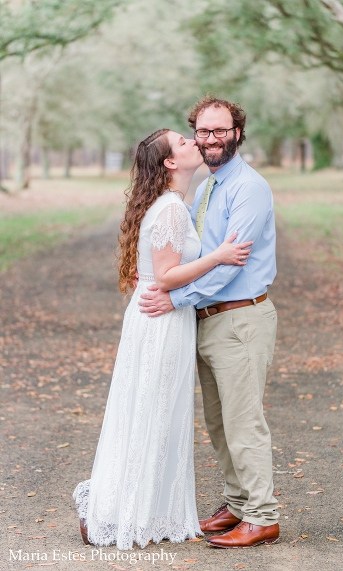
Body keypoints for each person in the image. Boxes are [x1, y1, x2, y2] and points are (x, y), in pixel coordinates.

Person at [73, 129, 253, 549]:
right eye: (184, 142)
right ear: (170, 162)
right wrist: (219, 256)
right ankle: (118, 509)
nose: (195, 142)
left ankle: (126, 506)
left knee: (148, 409)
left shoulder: (170, 204)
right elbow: (168, 275)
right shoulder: (171, 208)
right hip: (161, 322)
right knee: (152, 409)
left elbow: (156, 268)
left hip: (158, 316)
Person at [137, 95, 280, 548]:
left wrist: (176, 298)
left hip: (240, 318)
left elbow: (228, 266)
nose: (211, 138)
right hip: (208, 320)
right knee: (219, 424)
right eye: (203, 131)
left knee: (243, 422)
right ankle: (237, 503)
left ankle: (262, 515)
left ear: (238, 132)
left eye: (220, 130)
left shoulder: (248, 187)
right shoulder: (206, 187)